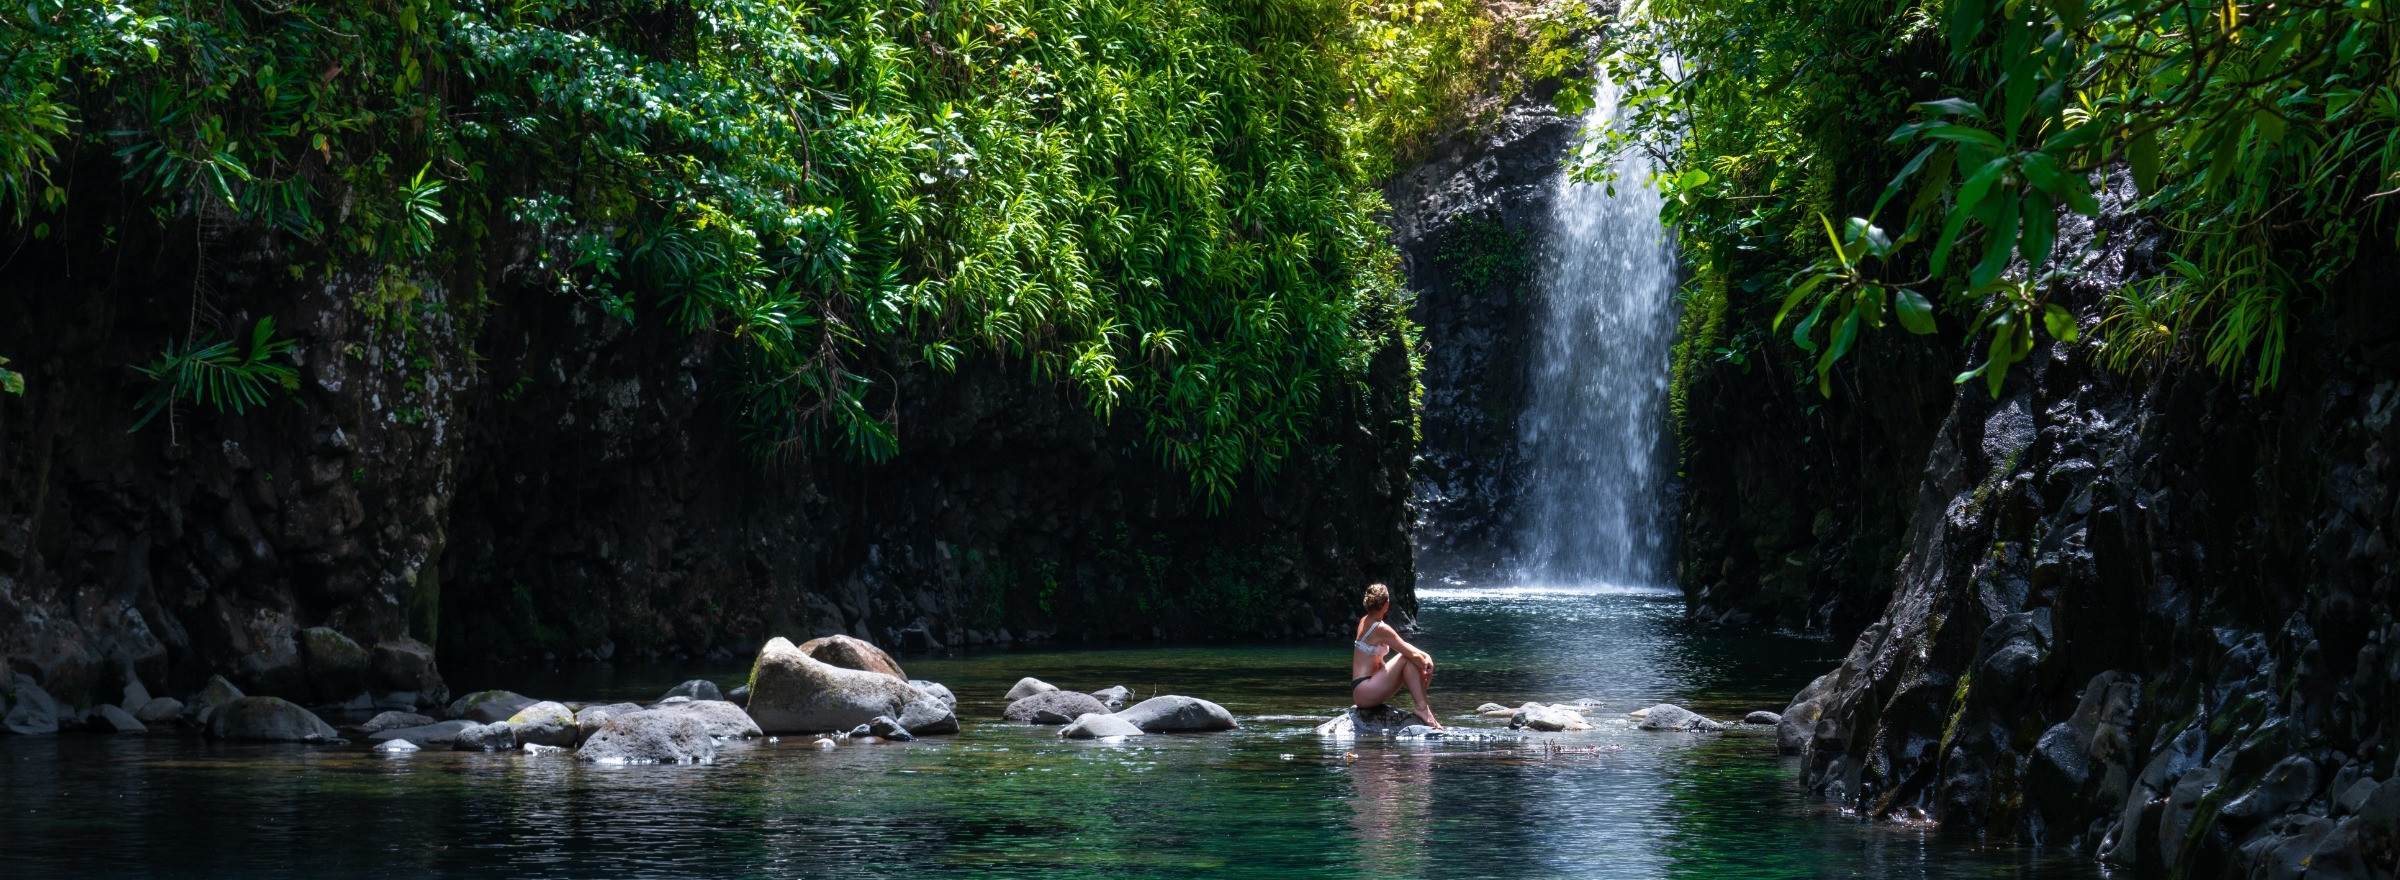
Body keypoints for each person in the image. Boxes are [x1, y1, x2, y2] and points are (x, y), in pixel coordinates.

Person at [1350, 583, 1441, 729]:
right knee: (1408, 659)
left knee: (1408, 657)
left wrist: (1426, 655)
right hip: (1365, 691)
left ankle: (1422, 707)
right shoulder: (1380, 628)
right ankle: (1422, 708)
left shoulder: (1366, 621)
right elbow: (1409, 654)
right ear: (1386, 604)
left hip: (1361, 689)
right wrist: (1426, 667)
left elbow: (1403, 645)